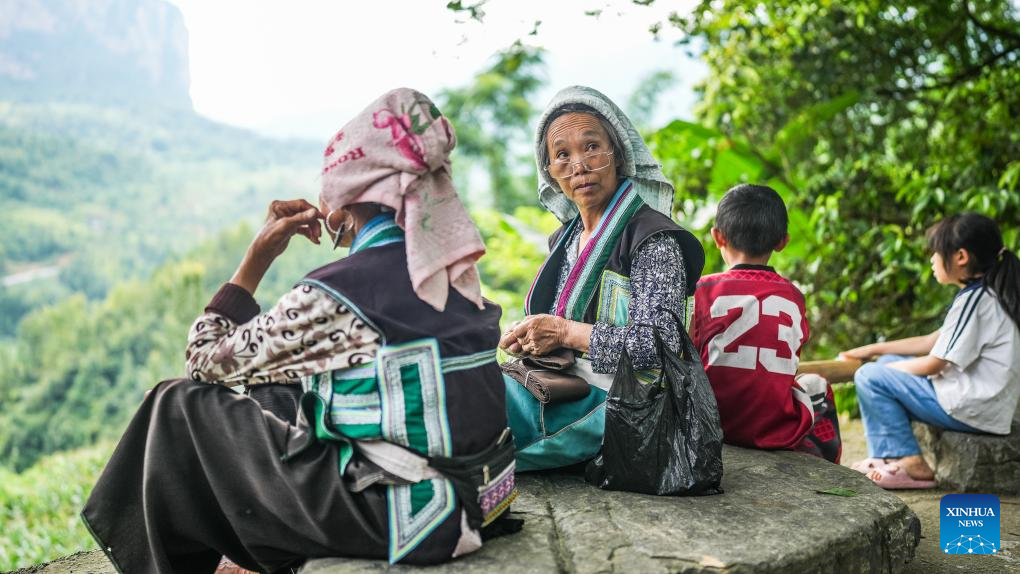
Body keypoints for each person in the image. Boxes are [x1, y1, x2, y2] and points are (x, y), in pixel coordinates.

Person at [81, 88, 520, 574]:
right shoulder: (451, 271)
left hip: (413, 515)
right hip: (479, 496)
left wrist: (256, 258)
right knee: (275, 385)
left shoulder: (341, 293)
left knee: (175, 403)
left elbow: (203, 359)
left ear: (343, 203)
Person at [498, 85, 705, 471]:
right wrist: (532, 335)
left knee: (476, 430)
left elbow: (660, 346)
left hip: (630, 406)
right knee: (467, 392)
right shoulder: (567, 239)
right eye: (563, 155)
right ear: (550, 172)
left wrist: (562, 332)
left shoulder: (653, 239)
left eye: (591, 147)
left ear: (618, 154)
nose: (579, 165)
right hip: (564, 388)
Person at [842, 212, 1020, 489]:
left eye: (936, 253)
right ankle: (896, 456)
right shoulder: (990, 294)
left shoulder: (976, 300)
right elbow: (931, 341)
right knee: (884, 364)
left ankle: (909, 463)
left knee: (869, 378)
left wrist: (876, 370)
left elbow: (932, 364)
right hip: (984, 405)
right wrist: (872, 350)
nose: (932, 260)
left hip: (972, 408)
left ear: (961, 257)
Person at [690, 184, 841, 463]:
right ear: (783, 242)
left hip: (709, 424)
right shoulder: (793, 296)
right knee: (816, 384)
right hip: (772, 431)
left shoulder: (702, 290)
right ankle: (818, 458)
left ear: (717, 237)